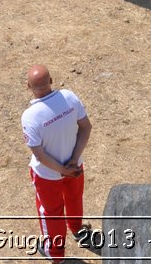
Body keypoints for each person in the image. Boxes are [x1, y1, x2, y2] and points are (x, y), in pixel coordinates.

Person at [22, 64, 93, 262]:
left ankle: (55, 255)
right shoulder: (69, 97)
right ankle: (78, 230)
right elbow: (86, 128)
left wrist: (62, 170)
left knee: (51, 214)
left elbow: (40, 156)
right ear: (51, 81)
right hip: (75, 166)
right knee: (74, 197)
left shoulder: (30, 117)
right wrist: (73, 161)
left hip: (48, 176)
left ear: (28, 86)